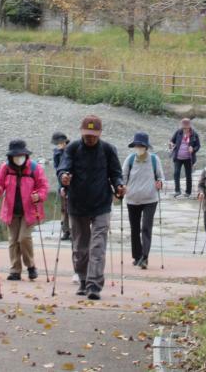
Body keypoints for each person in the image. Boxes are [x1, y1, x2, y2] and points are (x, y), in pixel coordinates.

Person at [57, 115, 125, 301]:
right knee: (80, 248)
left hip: (101, 204)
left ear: (100, 133)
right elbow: (63, 168)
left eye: (94, 135)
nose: (90, 138)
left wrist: (119, 185)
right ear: (81, 132)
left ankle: (94, 285)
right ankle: (83, 279)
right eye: (87, 134)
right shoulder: (73, 148)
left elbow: (116, 173)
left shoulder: (108, 150)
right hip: (77, 204)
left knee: (97, 246)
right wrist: (63, 177)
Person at [0, 139, 49, 281]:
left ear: (26, 155)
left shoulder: (35, 168)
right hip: (11, 210)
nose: (18, 158)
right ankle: (15, 270)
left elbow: (44, 187)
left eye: (21, 155)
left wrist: (39, 196)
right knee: (13, 240)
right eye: (15, 155)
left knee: (23, 238)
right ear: (10, 157)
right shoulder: (5, 168)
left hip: (29, 211)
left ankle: (30, 266)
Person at [122, 132, 164, 270]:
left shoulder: (154, 160)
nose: (138, 147)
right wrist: (121, 188)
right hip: (132, 199)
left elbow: (161, 177)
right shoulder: (129, 160)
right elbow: (123, 177)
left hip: (150, 199)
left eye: (141, 145)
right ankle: (137, 256)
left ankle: (145, 257)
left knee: (146, 227)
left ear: (146, 147)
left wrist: (160, 183)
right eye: (137, 145)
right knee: (134, 229)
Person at [168, 118, 200, 198]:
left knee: (188, 175)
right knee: (176, 173)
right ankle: (177, 190)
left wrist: (193, 149)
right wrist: (171, 144)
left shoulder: (194, 134)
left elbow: (198, 146)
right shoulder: (178, 132)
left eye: (186, 127)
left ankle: (188, 192)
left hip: (189, 158)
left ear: (189, 126)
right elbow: (172, 141)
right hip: (178, 157)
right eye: (183, 127)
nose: (185, 129)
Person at [51, 131, 71, 241]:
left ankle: (73, 230)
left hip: (72, 182)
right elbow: (56, 168)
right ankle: (65, 231)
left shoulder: (71, 150)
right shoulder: (56, 152)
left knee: (71, 207)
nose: (58, 145)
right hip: (61, 181)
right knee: (64, 208)